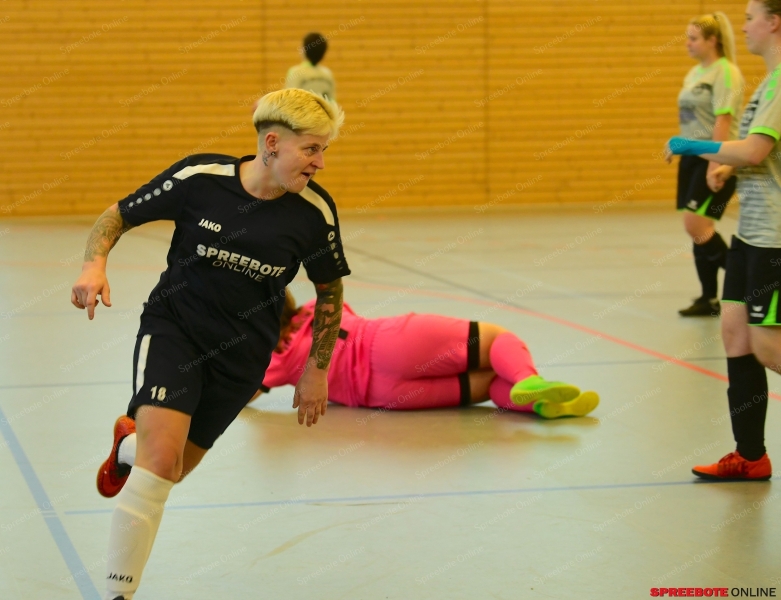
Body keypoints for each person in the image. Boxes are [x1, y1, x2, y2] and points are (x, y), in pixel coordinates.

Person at [71, 88, 348, 599]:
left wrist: (316, 368)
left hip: (243, 357)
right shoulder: (201, 180)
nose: (321, 163)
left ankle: (127, 445)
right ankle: (117, 594)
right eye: (312, 149)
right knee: (158, 469)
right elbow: (118, 215)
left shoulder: (314, 214)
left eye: (324, 150)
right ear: (271, 143)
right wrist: (95, 263)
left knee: (170, 469)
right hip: (175, 330)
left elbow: (329, 290)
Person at [666, 0, 781, 481]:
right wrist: (730, 167)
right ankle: (751, 456)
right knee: (735, 335)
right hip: (750, 233)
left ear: (774, 22)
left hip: (775, 237)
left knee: (769, 347)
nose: (746, 25)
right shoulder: (768, 81)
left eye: (752, 16)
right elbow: (762, 149)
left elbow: (755, 147)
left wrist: (694, 146)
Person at [251, 289, 600, 418]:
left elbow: (245, 393)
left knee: (480, 387)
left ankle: (541, 406)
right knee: (494, 341)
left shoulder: (274, 362)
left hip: (381, 396)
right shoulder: (315, 308)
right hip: (387, 344)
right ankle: (529, 380)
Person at [674, 12, 744, 317]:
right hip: (692, 156)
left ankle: (746, 283)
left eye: (693, 38)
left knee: (696, 224)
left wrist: (714, 163)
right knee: (699, 227)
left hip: (716, 156)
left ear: (712, 40)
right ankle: (709, 298)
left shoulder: (725, 72)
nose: (687, 43)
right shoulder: (694, 73)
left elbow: (723, 118)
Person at [285, 32, 337, 101]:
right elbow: (332, 103)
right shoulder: (327, 74)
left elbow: (288, 101)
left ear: (305, 49)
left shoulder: (296, 72)